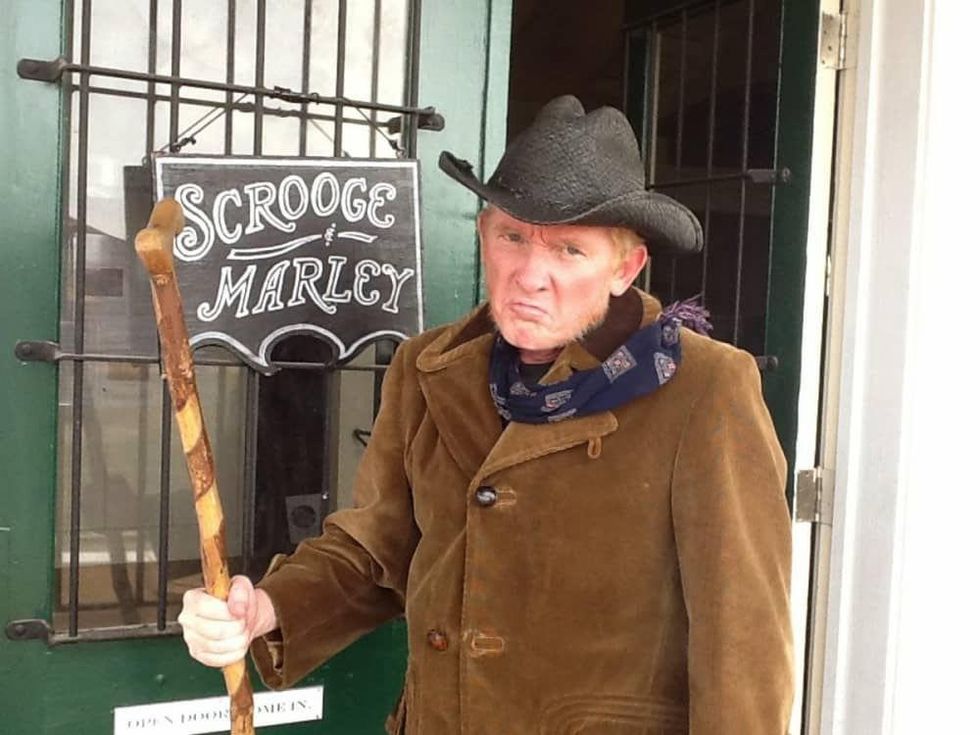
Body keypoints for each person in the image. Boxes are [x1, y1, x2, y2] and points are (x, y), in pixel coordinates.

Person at [178, 95, 794, 734]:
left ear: (625, 267)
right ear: (483, 235)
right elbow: (376, 552)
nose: (530, 274)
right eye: (513, 237)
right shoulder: (427, 369)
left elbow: (743, 638)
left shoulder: (703, 388)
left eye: (569, 250)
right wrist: (266, 607)